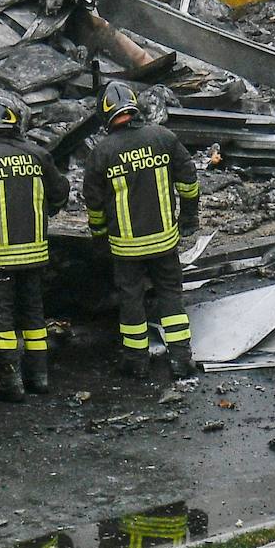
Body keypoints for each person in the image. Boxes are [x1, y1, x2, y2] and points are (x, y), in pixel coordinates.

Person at [83, 82, 201, 380]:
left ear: (105, 115)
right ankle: (181, 359)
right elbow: (189, 182)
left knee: (131, 300)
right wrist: (188, 219)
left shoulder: (102, 152)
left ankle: (136, 361)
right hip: (164, 240)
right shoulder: (164, 138)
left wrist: (99, 238)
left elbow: (94, 204)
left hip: (126, 247)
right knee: (170, 295)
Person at [0, 96, 70, 401]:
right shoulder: (38, 155)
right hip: (34, 255)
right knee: (34, 315)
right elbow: (61, 191)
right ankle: (39, 377)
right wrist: (46, 211)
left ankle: (10, 382)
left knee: (1, 319)